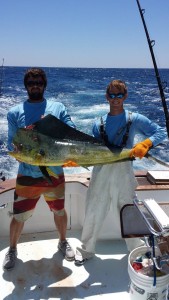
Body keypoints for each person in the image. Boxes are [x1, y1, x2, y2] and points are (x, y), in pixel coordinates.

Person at [75, 79, 167, 265]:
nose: (115, 99)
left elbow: (161, 132)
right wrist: (75, 160)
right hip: (101, 171)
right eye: (112, 95)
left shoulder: (134, 119)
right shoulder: (97, 123)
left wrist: (145, 143)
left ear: (125, 96)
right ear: (106, 97)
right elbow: (93, 151)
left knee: (128, 211)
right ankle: (86, 250)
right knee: (94, 210)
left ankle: (137, 250)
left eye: (119, 95)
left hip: (123, 173)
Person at [3, 68, 75, 271]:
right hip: (27, 174)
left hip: (53, 173)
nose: (35, 85)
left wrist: (71, 154)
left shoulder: (57, 107)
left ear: (44, 85)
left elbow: (70, 129)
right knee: (19, 216)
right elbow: (11, 144)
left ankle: (62, 242)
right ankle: (12, 249)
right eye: (31, 83)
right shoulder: (14, 112)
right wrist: (16, 148)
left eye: (39, 82)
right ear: (26, 86)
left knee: (59, 210)